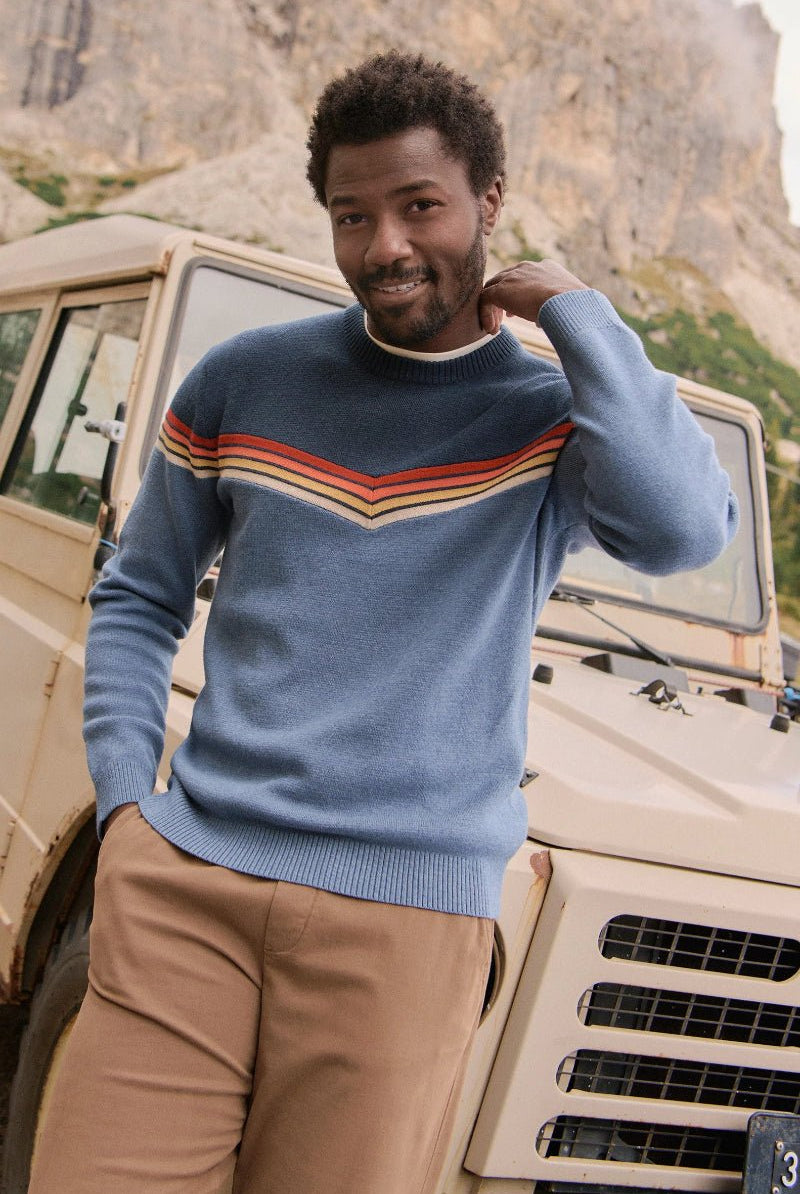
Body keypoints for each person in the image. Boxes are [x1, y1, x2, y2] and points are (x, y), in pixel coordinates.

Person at [29, 50, 737, 1194]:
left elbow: (680, 532)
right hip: (187, 888)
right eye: (351, 216)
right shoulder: (242, 380)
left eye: (420, 206)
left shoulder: (553, 417)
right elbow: (139, 595)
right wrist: (124, 811)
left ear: (487, 203)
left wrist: (576, 313)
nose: (385, 248)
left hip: (406, 929)